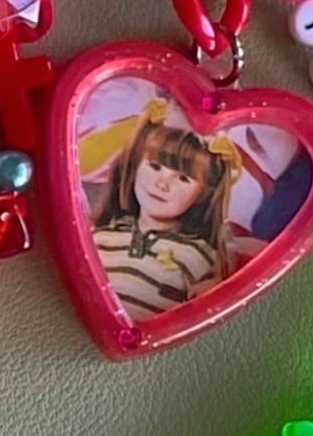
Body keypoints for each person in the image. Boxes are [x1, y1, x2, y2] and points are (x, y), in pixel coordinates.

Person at [84, 106, 242, 319]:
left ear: (203, 194)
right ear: (136, 164)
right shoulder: (100, 237)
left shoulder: (201, 257)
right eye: (155, 167)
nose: (162, 184)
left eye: (184, 178)